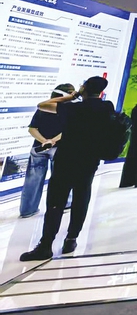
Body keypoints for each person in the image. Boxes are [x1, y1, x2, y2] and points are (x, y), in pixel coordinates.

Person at [20, 77, 116, 261]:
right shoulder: (107, 107)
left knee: (55, 203)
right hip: (89, 162)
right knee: (81, 200)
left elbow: (42, 105)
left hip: (66, 161)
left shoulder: (72, 108)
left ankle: (46, 245)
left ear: (84, 88)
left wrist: (71, 96)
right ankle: (71, 240)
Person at [19, 83, 74, 218]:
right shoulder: (69, 110)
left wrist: (44, 141)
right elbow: (69, 130)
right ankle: (64, 204)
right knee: (61, 178)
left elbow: (32, 129)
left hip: (39, 148)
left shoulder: (43, 108)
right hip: (60, 148)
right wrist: (52, 141)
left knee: (32, 180)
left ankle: (27, 210)